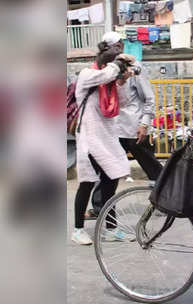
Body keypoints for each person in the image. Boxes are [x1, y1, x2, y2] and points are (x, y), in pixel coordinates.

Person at [85, 33, 163, 220]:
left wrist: (145, 124)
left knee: (151, 166)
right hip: (112, 127)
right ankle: (99, 207)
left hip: (133, 126)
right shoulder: (103, 69)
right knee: (107, 169)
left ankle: (168, 199)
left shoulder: (135, 67)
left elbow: (149, 98)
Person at [71, 33, 137, 245]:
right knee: (87, 183)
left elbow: (124, 103)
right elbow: (104, 74)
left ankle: (111, 228)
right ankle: (78, 229)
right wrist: (117, 64)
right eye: (115, 48)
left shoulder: (111, 80)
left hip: (107, 137)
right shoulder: (87, 74)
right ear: (104, 53)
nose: (119, 52)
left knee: (111, 180)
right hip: (90, 137)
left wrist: (123, 81)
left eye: (121, 48)